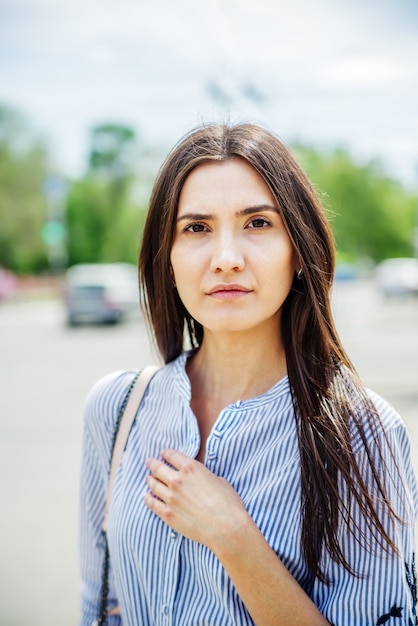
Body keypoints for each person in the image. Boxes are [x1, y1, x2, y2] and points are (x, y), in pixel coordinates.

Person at [79, 123, 418, 626]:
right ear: (166, 258)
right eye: (196, 229)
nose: (227, 260)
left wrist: (233, 536)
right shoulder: (117, 408)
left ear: (298, 249)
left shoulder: (362, 434)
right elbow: (95, 605)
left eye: (257, 223)